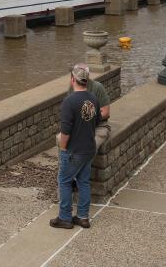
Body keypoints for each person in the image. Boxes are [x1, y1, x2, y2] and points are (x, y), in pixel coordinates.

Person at [51, 64, 99, 230]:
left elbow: (65, 131)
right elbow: (97, 121)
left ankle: (64, 217)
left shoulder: (69, 101)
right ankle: (83, 217)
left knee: (64, 181)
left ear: (73, 80)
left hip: (74, 150)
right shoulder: (93, 98)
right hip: (89, 148)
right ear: (86, 80)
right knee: (84, 182)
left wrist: (63, 149)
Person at [71, 64, 111, 151]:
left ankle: (84, 164)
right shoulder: (72, 87)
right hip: (79, 126)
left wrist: (87, 118)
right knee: (63, 140)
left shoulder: (97, 87)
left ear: (88, 76)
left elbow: (105, 112)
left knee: (89, 147)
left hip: (99, 126)